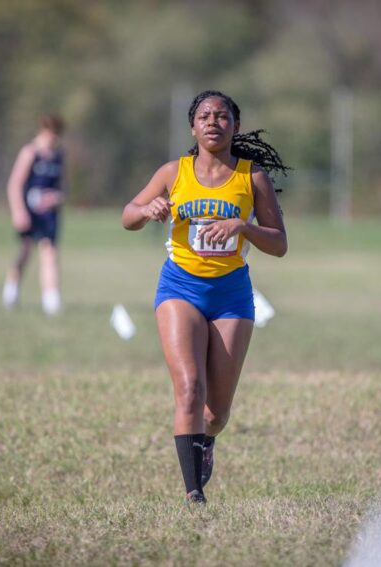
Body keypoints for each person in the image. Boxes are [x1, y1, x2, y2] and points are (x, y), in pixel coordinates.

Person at [122, 90, 289, 503]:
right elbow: (128, 215)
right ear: (193, 126)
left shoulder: (252, 178)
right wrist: (147, 211)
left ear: (235, 125)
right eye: (204, 116)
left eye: (222, 116)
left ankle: (206, 442)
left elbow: (280, 243)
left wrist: (242, 228)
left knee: (215, 413)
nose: (213, 121)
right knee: (190, 389)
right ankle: (193, 493)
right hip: (180, 287)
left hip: (232, 294)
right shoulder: (172, 172)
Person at [3, 114, 67, 315]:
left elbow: (63, 187)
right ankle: (11, 288)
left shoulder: (58, 156)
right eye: (49, 133)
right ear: (41, 131)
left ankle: (51, 300)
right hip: (29, 213)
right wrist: (18, 212)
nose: (52, 138)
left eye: (56, 134)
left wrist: (56, 197)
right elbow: (14, 184)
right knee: (26, 251)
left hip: (49, 215)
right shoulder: (30, 153)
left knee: (50, 253)